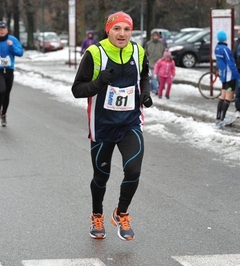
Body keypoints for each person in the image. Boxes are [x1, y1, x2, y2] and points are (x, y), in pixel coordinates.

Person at [71, 11, 152, 241]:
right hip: (103, 126)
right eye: (117, 29)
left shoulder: (138, 51)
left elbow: (144, 76)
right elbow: (77, 89)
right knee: (101, 176)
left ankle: (121, 212)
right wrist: (98, 83)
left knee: (133, 171)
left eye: (127, 29)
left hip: (130, 123)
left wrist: (145, 94)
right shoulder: (95, 53)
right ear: (109, 30)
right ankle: (97, 215)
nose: (122, 34)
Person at [214, 30, 240, 123]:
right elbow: (231, 63)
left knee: (223, 95)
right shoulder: (226, 49)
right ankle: (223, 118)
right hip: (230, 76)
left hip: (223, 76)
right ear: (225, 38)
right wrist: (237, 76)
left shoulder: (216, 48)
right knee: (228, 97)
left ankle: (218, 117)